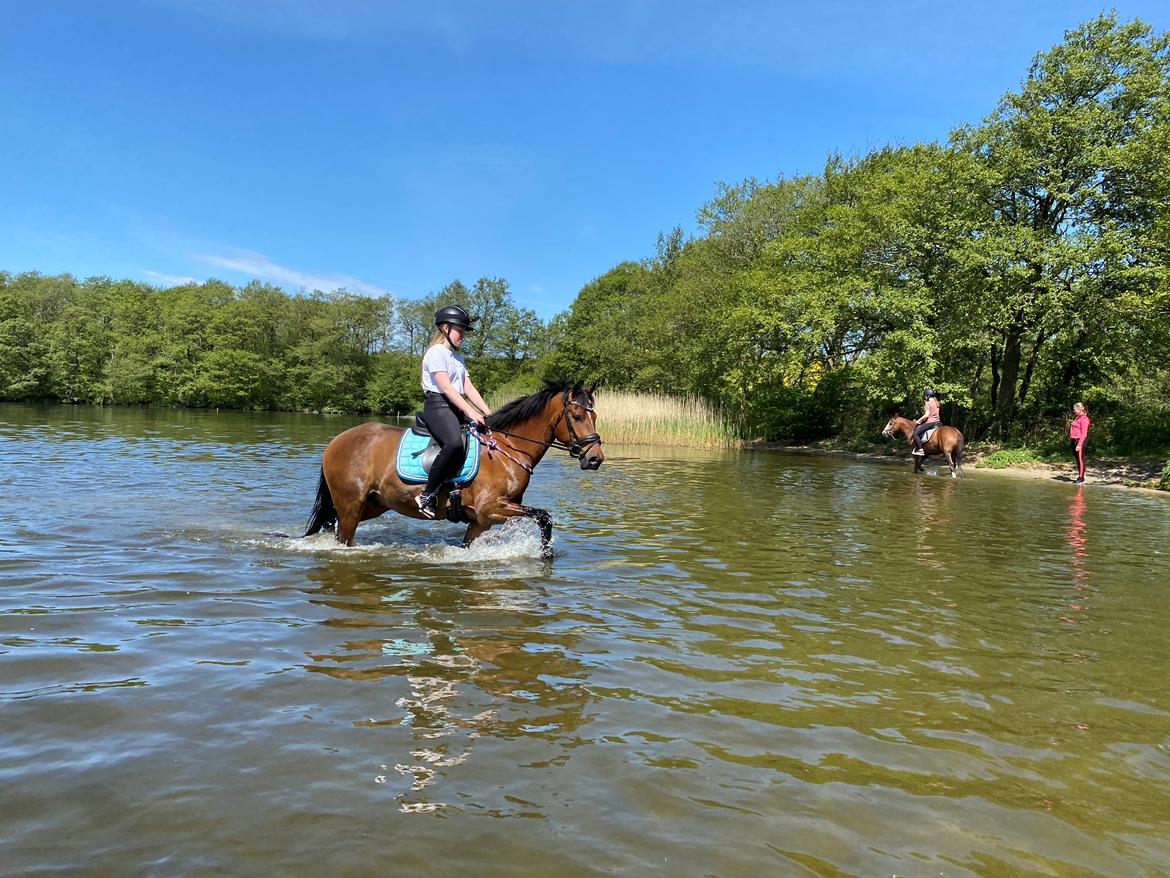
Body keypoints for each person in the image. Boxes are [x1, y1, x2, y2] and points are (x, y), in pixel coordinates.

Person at [415, 304, 491, 518]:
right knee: (454, 443)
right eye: (461, 330)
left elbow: (468, 388)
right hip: (437, 406)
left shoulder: (458, 359)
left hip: (454, 407)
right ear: (446, 328)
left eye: (465, 331)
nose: (463, 336)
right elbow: (447, 388)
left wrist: (488, 413)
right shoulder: (436, 353)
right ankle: (426, 495)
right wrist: (470, 412)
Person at [911, 387, 941, 456]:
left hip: (931, 422)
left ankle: (920, 449)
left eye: (925, 395)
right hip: (938, 422)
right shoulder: (937, 403)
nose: (925, 397)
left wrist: (918, 421)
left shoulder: (928, 403)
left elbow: (926, 415)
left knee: (915, 433)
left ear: (928, 395)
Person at [1069, 401, 1090, 485]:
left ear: (1079, 409)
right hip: (1074, 439)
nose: (1073, 411)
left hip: (1079, 440)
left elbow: (1084, 433)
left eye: (1074, 410)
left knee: (1081, 459)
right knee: (1077, 459)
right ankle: (1080, 476)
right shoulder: (1077, 417)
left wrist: (1079, 444)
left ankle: (1081, 478)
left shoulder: (1084, 419)